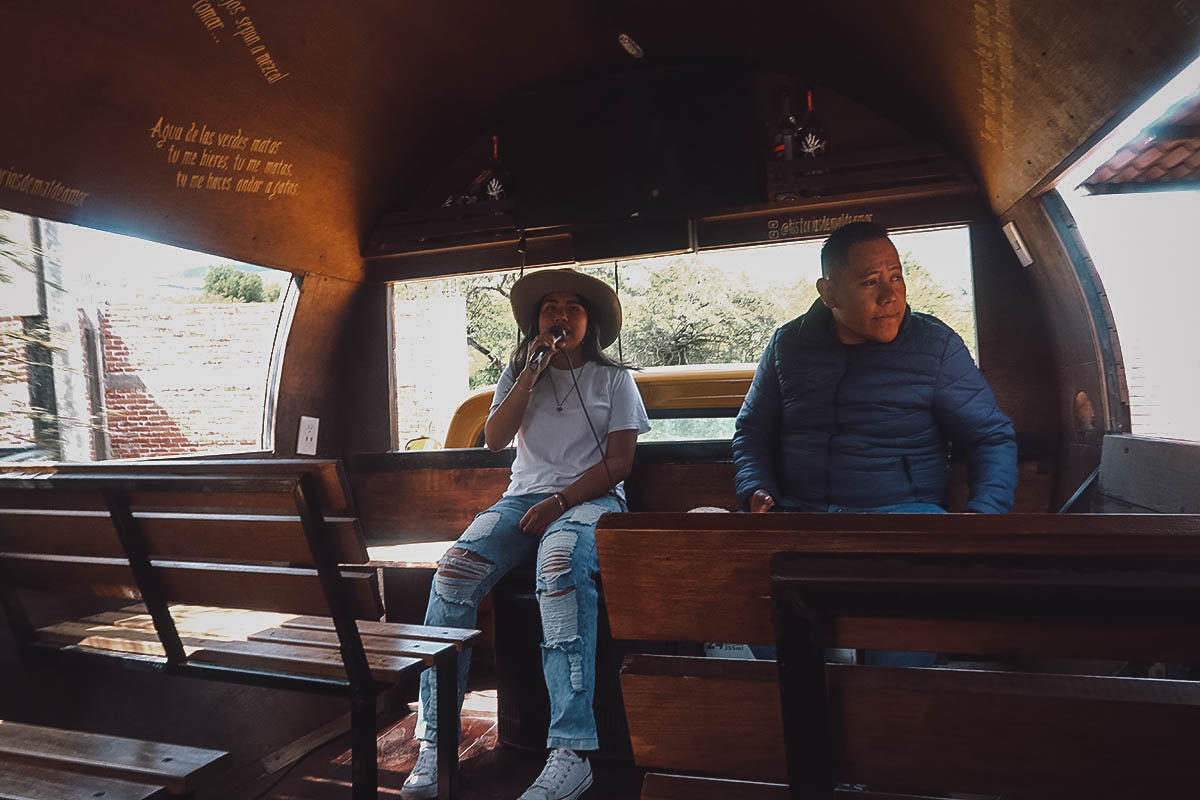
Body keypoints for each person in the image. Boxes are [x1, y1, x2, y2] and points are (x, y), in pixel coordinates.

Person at [402, 269, 650, 800]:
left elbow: (622, 462)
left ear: (592, 321)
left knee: (558, 569)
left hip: (589, 500)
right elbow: (494, 440)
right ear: (536, 322)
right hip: (521, 500)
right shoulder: (520, 374)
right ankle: (437, 738)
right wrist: (531, 373)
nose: (560, 317)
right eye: (549, 309)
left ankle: (571, 750)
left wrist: (561, 501)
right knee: (453, 573)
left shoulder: (615, 380)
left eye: (573, 308)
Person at [733, 223, 1016, 667]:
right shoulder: (788, 346)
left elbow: (990, 436)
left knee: (898, 662)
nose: (890, 296)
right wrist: (755, 488)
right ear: (829, 293)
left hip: (903, 523)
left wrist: (982, 520)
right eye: (870, 282)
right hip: (800, 519)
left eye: (897, 276)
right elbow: (752, 430)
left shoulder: (935, 346)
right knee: (771, 641)